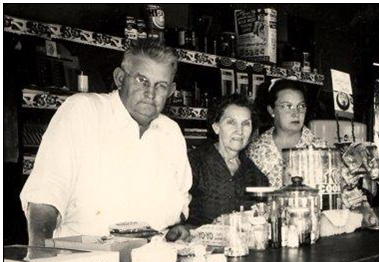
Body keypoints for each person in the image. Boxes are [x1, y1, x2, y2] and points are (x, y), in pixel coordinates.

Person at [20, 40, 192, 246]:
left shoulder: (171, 132)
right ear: (120, 78)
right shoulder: (83, 111)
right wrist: (40, 252)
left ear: (171, 90)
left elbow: (181, 200)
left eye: (161, 85)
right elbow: (46, 193)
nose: (150, 93)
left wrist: (176, 228)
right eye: (141, 80)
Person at [187, 94, 269, 226]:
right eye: (231, 122)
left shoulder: (256, 176)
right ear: (216, 127)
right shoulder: (193, 163)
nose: (239, 131)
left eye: (246, 124)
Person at [246, 78, 326, 188]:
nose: (296, 113)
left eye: (301, 106)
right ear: (271, 110)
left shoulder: (320, 148)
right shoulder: (256, 150)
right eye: (287, 106)